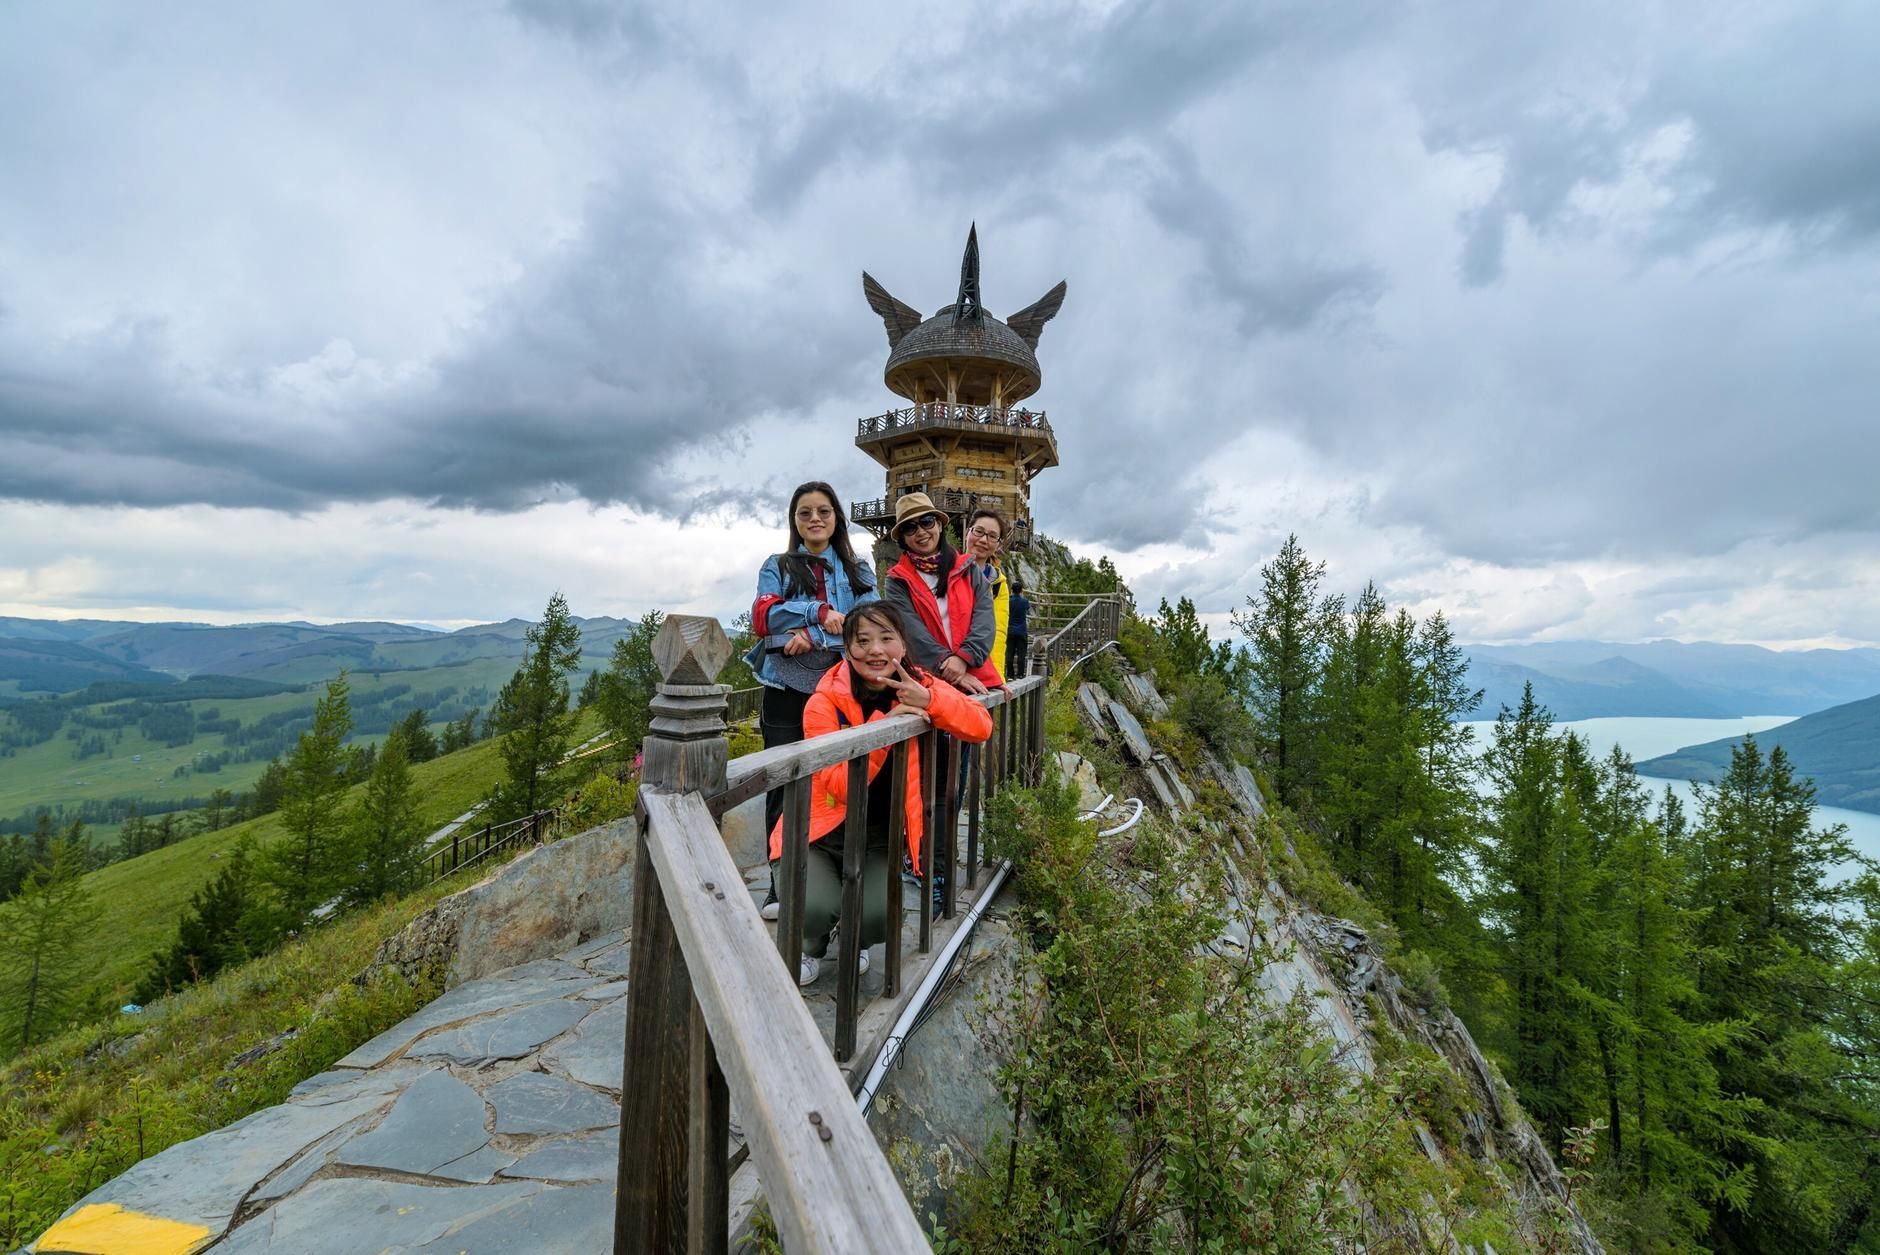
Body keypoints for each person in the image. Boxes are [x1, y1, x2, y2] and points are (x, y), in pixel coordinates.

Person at [769, 602, 993, 986]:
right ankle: (811, 944)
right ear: (848, 648)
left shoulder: (919, 685)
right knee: (814, 908)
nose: (875, 650)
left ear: (903, 646)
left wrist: (931, 701)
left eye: (886, 638)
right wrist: (885, 728)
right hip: (817, 833)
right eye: (863, 640)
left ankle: (854, 937)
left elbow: (980, 725)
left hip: (878, 838)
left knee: (879, 917)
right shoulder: (824, 702)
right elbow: (839, 786)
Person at [748, 481, 877, 921]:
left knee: (836, 783)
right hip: (785, 690)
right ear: (795, 521)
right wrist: (818, 614)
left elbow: (867, 624)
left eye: (823, 511)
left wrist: (812, 634)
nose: (815, 519)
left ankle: (835, 885)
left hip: (841, 690)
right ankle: (778, 886)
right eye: (805, 513)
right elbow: (763, 616)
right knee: (782, 784)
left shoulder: (859, 572)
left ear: (837, 517)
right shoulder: (777, 565)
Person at [880, 492, 1000, 694]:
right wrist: (947, 665)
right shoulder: (896, 581)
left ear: (939, 524)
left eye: (927, 522)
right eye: (910, 527)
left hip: (977, 679)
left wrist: (963, 659)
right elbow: (911, 631)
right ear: (902, 537)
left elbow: (985, 619)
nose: (920, 531)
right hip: (929, 682)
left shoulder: (968, 568)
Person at [963, 506, 1011, 685]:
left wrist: (996, 677)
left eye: (992, 536)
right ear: (967, 533)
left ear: (998, 544)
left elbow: (998, 633)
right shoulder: (947, 572)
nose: (983, 540)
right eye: (979, 531)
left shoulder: (998, 584)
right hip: (948, 672)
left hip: (983, 676)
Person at [1007, 574, 1031, 679]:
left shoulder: (1008, 601)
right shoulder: (1025, 602)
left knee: (1010, 653)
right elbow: (1027, 608)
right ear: (1021, 591)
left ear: (1011, 590)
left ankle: (1010, 674)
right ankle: (1020, 674)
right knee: (1021, 653)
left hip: (1010, 630)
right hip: (1022, 630)